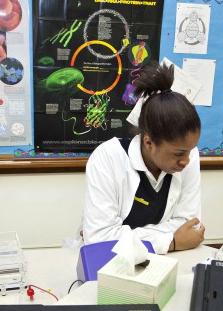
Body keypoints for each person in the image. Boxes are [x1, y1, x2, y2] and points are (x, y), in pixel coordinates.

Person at [81, 62, 205, 253]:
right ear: (149, 143)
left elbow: (189, 225)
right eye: (178, 154)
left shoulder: (189, 156)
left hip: (165, 262)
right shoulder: (108, 157)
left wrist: (124, 235)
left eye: (190, 151)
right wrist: (170, 242)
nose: (186, 161)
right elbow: (99, 239)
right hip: (108, 262)